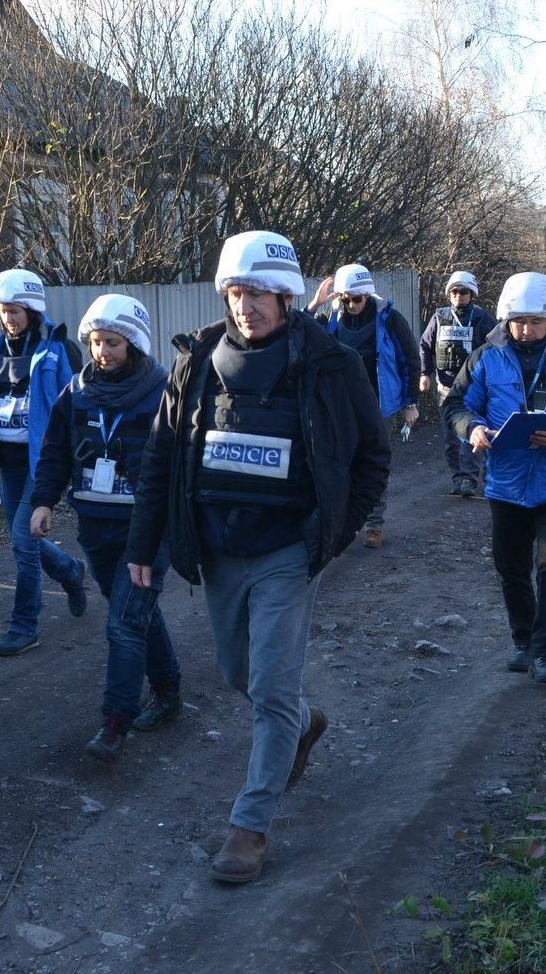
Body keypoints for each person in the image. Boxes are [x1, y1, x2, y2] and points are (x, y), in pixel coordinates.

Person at [126, 230, 390, 885]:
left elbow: (372, 459)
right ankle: (304, 722)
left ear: (288, 294)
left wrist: (332, 535)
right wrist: (143, 544)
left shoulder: (330, 364)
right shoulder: (197, 361)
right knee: (240, 674)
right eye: (236, 291)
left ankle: (250, 826)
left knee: (270, 688)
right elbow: (161, 455)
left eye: (261, 293)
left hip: (286, 552)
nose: (248, 305)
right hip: (217, 548)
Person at [30, 294, 182, 763]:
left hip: (148, 529)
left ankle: (115, 722)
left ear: (133, 342)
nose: (102, 352)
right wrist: (42, 501)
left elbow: (181, 462)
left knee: (123, 626)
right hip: (96, 527)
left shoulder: (163, 393)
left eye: (112, 342)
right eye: (96, 342)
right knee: (134, 613)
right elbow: (55, 450)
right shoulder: (75, 392)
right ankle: (169, 689)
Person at [444, 272, 546, 686]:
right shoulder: (485, 356)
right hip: (505, 484)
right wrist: (474, 430)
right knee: (512, 568)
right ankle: (523, 642)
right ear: (506, 318)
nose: (527, 329)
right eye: (519, 320)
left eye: (536, 321)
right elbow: (457, 407)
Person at [0, 269, 88, 657]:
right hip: (9, 462)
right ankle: (70, 570)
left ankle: (24, 626)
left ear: (33, 309)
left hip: (43, 463)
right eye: (3, 310)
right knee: (26, 541)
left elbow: (73, 407)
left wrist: (70, 459)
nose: (8, 318)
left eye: (15, 310)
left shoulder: (58, 349)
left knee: (22, 542)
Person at [307, 263, 421, 547]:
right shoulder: (331, 320)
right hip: (340, 407)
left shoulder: (390, 319)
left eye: (356, 299)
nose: (351, 304)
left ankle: (374, 526)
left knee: (374, 465)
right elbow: (297, 332)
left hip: (380, 406)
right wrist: (314, 305)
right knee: (339, 465)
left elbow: (410, 359)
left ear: (368, 295)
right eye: (345, 299)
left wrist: (411, 403)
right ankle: (342, 525)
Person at [417, 271, 498, 496]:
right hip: (445, 387)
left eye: (463, 292)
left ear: (471, 294)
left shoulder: (483, 318)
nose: (458, 296)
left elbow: (497, 348)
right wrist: (425, 373)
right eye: (454, 292)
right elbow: (425, 345)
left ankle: (469, 480)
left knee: (470, 434)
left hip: (474, 390)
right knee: (450, 439)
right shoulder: (439, 317)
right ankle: (458, 477)